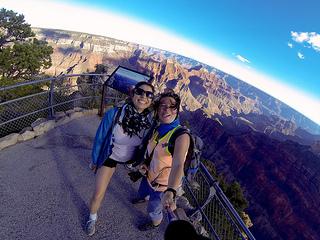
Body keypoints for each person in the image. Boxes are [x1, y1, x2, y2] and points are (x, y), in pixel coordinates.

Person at [85, 81, 155, 236]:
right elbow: (100, 138)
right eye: (140, 92)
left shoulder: (150, 122)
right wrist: (95, 161)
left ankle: (148, 199)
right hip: (111, 156)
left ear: (152, 100)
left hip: (132, 160)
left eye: (149, 94)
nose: (144, 97)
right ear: (133, 93)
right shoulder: (115, 113)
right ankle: (92, 218)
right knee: (98, 192)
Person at [133, 91, 191, 231]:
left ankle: (155, 223)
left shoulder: (181, 136)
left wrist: (170, 191)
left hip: (163, 186)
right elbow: (152, 151)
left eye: (172, 106)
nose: (166, 110)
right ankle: (143, 197)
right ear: (158, 108)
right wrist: (145, 163)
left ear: (177, 110)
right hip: (149, 176)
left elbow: (178, 164)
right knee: (142, 193)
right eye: (162, 106)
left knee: (153, 209)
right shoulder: (158, 128)